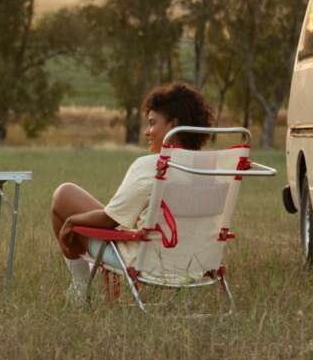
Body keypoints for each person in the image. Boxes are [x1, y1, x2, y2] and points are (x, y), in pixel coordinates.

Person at [49, 82, 214, 302]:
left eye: (153, 123)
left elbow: (108, 221)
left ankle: (80, 286)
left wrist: (70, 222)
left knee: (64, 195)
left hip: (147, 260)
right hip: (195, 264)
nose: (147, 131)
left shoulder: (152, 165)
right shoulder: (210, 167)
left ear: (173, 126)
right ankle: (83, 283)